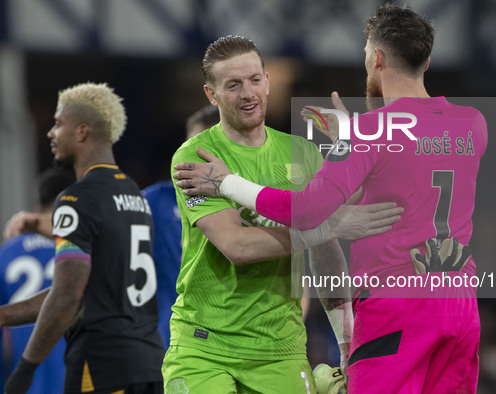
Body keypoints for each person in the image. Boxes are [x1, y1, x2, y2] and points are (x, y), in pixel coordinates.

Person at [173, 4, 487, 393]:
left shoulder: (366, 132)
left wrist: (228, 183)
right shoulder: (471, 123)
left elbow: (308, 210)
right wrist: (354, 137)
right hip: (458, 303)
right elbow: (403, 166)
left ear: (376, 58)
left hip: (395, 306)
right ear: (426, 60)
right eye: (234, 84)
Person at [162, 35, 403, 394]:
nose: (248, 94)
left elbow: (326, 253)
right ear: (211, 94)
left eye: (255, 80)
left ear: (268, 81)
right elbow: (237, 247)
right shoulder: (196, 156)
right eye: (233, 85)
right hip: (204, 347)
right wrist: (327, 225)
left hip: (281, 350)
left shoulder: (302, 154)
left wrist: (344, 337)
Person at [0, 82, 165, 393]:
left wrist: (25, 368)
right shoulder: (133, 193)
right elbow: (87, 290)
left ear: (82, 131)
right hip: (148, 362)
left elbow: (66, 295)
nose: (51, 132)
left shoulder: (77, 199)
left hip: (102, 364)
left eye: (59, 123)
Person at [142, 105, 220, 350]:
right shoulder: (156, 200)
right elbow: (108, 221)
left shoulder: (250, 202)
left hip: (234, 335)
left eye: (207, 151)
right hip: (171, 339)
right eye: (190, 147)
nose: (195, 159)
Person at [0, 167, 75, 393]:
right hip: (77, 377)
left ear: (38, 203)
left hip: (24, 381)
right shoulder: (80, 247)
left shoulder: (7, 253)